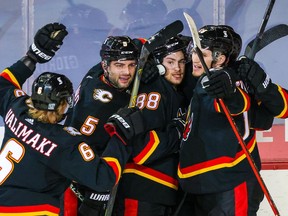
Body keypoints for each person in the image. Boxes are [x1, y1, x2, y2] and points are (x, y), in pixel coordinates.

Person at [0, 23, 143, 215]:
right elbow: (104, 179)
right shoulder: (63, 141)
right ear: (62, 104)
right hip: (34, 211)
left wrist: (32, 57)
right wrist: (121, 137)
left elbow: (3, 84)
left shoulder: (16, 107)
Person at [177, 25, 265, 216]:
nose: (194, 57)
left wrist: (229, 90)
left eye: (203, 53)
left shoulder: (218, 82)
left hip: (229, 183)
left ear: (221, 59)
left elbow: (236, 101)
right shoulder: (201, 81)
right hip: (208, 184)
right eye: (194, 51)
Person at [62, 35, 141, 216]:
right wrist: (97, 191)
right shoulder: (102, 103)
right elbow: (86, 148)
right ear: (106, 66)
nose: (127, 72)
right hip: (77, 180)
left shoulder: (95, 73)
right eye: (119, 66)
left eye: (131, 64)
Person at [112, 35, 188, 216]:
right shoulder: (154, 92)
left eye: (182, 61)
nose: (177, 68)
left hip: (160, 193)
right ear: (159, 65)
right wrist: (178, 131)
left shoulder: (173, 91)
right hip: (143, 190)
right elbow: (143, 149)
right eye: (170, 62)